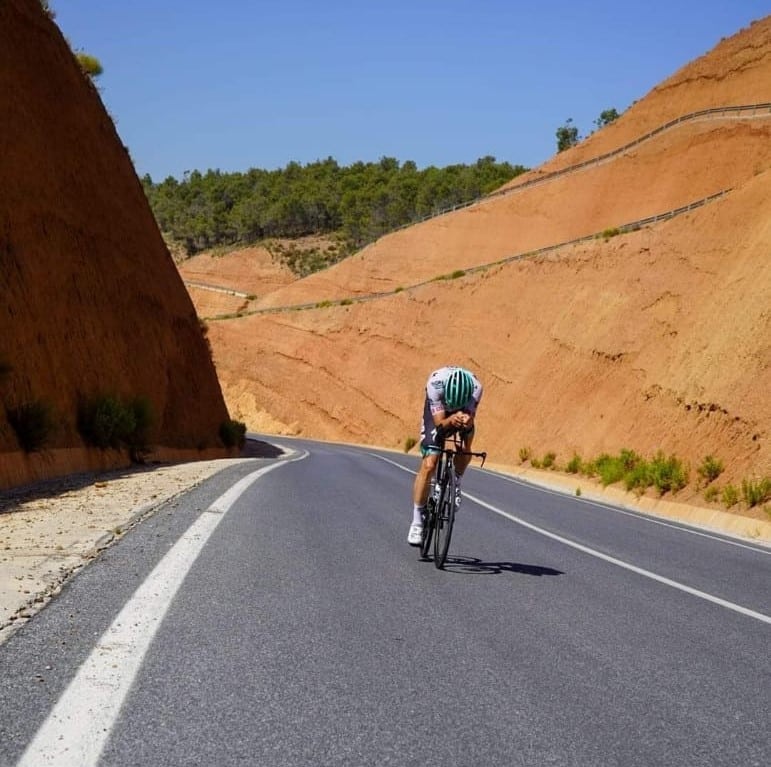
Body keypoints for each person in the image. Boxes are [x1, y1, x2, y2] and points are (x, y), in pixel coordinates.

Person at [408, 365, 483, 545]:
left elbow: (471, 417)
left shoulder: (476, 388)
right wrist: (450, 419)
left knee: (466, 443)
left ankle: (455, 481)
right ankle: (417, 520)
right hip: (439, 413)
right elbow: (440, 425)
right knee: (430, 463)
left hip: (463, 408)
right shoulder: (435, 384)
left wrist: (466, 419)